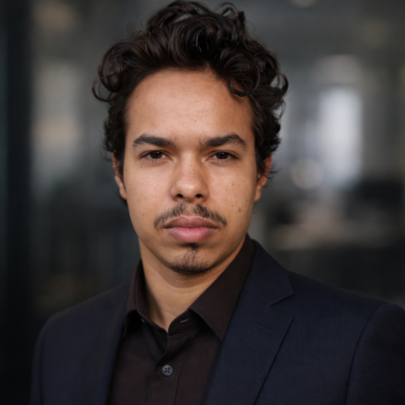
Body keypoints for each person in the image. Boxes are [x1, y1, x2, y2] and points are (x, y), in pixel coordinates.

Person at [31, 1, 405, 404]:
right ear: (120, 173)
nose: (189, 186)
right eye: (156, 154)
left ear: (260, 173)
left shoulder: (357, 346)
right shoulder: (62, 343)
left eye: (221, 155)